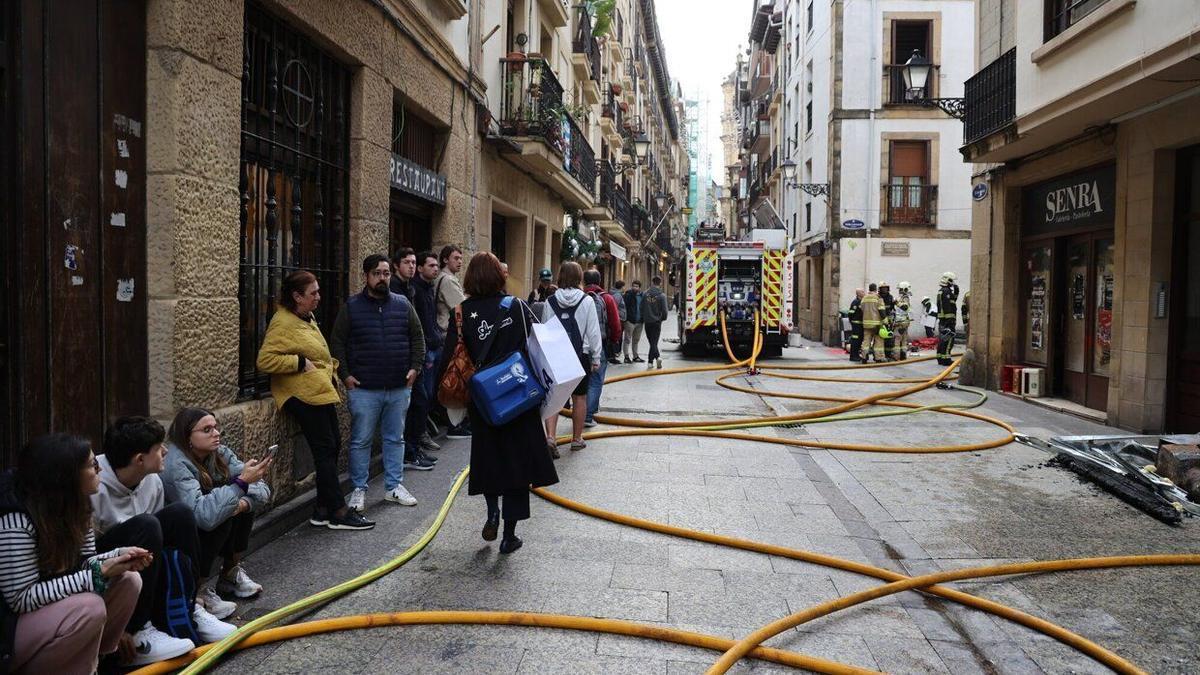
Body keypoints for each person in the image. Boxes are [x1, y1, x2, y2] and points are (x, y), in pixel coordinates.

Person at [437, 252, 559, 554]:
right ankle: (509, 535)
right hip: (518, 395)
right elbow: (539, 343)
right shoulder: (516, 306)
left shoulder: (460, 313)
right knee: (517, 464)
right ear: (498, 276)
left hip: (483, 399)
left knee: (488, 457)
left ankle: (491, 512)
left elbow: (450, 355)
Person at [0, 434, 146, 674]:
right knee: (89, 607)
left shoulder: (77, 504)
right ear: (65, 475)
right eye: (91, 465)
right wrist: (99, 572)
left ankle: (92, 663)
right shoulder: (16, 519)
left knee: (129, 579)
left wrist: (118, 557)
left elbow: (83, 563)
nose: (99, 468)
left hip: (46, 610)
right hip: (10, 630)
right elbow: (20, 597)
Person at [92, 417, 235, 661]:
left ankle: (186, 609)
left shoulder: (152, 480)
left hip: (143, 560)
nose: (166, 451)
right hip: (108, 570)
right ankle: (138, 630)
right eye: (159, 448)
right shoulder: (95, 485)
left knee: (180, 514)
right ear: (139, 459)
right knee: (147, 524)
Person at [256, 270, 374, 531]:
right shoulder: (283, 322)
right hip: (301, 395)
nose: (319, 297)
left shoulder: (305, 316)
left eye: (318, 292)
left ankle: (322, 509)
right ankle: (338, 511)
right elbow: (264, 360)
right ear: (297, 297)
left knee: (332, 445)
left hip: (317, 391)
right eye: (313, 293)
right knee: (325, 449)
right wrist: (299, 362)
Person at [332, 254, 430, 514]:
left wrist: (415, 368)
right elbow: (337, 343)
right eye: (377, 273)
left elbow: (418, 338)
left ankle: (394, 486)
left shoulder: (403, 304)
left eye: (386, 273)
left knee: (395, 439)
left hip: (398, 387)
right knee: (361, 440)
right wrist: (346, 376)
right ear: (367, 276)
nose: (382, 278)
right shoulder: (351, 307)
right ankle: (359, 489)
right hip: (364, 389)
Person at [163, 408, 271, 617]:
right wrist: (240, 485)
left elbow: (263, 491)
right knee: (223, 508)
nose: (216, 434)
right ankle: (198, 589)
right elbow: (203, 516)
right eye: (206, 430)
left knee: (236, 504)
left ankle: (230, 574)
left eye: (215, 427)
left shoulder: (219, 453)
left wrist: (241, 502)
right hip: (180, 536)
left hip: (205, 522)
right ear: (188, 437)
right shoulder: (177, 465)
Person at [541, 261, 602, 453]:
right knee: (580, 398)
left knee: (554, 398)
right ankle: (576, 438)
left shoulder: (550, 301)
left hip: (556, 355)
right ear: (579, 278)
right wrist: (596, 357)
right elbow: (593, 332)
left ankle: (550, 437)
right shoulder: (587, 301)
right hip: (580, 355)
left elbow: (545, 328)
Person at [405, 251, 444, 458]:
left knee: (428, 394)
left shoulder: (429, 287)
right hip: (426, 349)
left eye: (436, 265)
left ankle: (422, 433)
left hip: (434, 344)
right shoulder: (415, 290)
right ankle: (419, 436)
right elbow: (417, 323)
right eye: (430, 265)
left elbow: (431, 318)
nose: (435, 268)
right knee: (423, 395)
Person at [435, 244, 470, 439]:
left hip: (444, 336)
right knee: (453, 381)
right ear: (445, 259)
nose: (459, 261)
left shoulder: (446, 279)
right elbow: (461, 307)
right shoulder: (447, 280)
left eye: (460, 258)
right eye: (456, 258)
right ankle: (453, 424)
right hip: (445, 336)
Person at [583, 269, 622, 425]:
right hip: (600, 345)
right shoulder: (607, 298)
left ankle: (583, 410)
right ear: (599, 281)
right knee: (596, 380)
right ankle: (588, 415)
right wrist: (614, 340)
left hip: (580, 346)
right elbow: (615, 323)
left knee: (584, 380)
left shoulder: (580, 297)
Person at [642, 276, 669, 370]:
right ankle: (657, 357)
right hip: (656, 322)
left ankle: (650, 362)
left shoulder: (645, 294)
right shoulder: (662, 296)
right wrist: (662, 318)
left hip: (647, 321)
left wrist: (643, 317)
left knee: (651, 341)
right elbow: (665, 311)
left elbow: (641, 307)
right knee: (654, 342)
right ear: (660, 283)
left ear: (652, 282)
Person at [936, 272, 960, 366]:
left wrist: (956, 292)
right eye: (952, 280)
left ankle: (940, 358)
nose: (952, 282)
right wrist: (950, 320)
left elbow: (952, 301)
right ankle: (946, 359)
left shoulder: (943, 290)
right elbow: (947, 306)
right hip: (947, 320)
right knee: (949, 339)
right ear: (948, 280)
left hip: (943, 320)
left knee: (942, 339)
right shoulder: (946, 291)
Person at [860, 283, 885, 363]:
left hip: (866, 324)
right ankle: (878, 358)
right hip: (877, 324)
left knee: (866, 341)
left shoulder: (864, 298)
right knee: (878, 341)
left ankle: (864, 357)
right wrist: (885, 320)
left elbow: (862, 309)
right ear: (876, 289)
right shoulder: (878, 298)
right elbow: (882, 311)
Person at [622, 280, 645, 363]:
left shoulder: (642, 296)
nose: (635, 288)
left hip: (639, 321)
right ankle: (626, 356)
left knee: (636, 340)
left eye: (637, 286)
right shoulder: (628, 295)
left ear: (639, 287)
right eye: (634, 286)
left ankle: (635, 356)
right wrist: (626, 318)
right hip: (630, 321)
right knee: (627, 339)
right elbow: (624, 307)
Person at [608, 280, 628, 365]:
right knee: (617, 337)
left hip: (618, 318)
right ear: (622, 287)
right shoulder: (617, 295)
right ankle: (613, 356)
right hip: (618, 319)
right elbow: (614, 307)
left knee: (616, 337)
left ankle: (613, 355)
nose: (625, 288)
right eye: (624, 286)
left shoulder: (616, 294)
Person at [878, 282, 896, 361]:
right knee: (880, 338)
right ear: (880, 289)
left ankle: (888, 354)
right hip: (880, 320)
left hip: (889, 320)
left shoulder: (890, 297)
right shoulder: (878, 297)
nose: (884, 289)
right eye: (883, 288)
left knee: (889, 337)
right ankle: (881, 355)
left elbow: (892, 308)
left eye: (886, 288)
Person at [848, 288, 865, 362]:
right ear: (858, 293)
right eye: (862, 291)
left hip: (860, 325)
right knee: (855, 340)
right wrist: (853, 321)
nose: (864, 293)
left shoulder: (861, 301)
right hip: (856, 324)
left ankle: (857, 355)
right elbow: (851, 313)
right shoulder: (856, 302)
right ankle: (853, 356)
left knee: (859, 340)